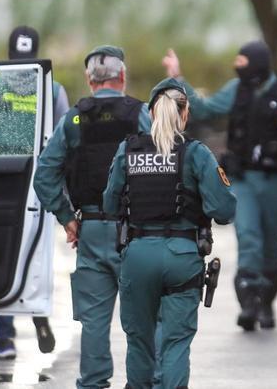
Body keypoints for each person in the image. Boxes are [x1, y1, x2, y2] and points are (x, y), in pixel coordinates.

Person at [161, 42, 277, 331]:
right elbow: (206, 110)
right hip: (243, 180)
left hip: (275, 182)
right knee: (248, 239)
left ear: (257, 62)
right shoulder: (236, 89)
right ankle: (249, 304)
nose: (238, 66)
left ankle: (266, 303)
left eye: (242, 61)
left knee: (271, 244)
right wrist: (179, 80)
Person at [103, 78, 237, 389]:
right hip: (182, 255)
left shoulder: (128, 150)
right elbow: (225, 211)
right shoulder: (197, 153)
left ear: (150, 112)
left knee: (139, 342)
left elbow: (110, 203)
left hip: (137, 255)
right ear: (185, 113)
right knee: (176, 343)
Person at [32, 45, 150, 388]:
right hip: (137, 233)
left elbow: (45, 174)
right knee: (142, 317)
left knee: (95, 321)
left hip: (93, 229)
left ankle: (94, 382)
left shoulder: (74, 118)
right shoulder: (141, 113)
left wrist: (67, 217)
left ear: (89, 80)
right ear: (123, 76)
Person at [0, 25, 69, 360]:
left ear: (10, 55)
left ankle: (4, 338)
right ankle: (39, 313)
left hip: (1, 183)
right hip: (41, 184)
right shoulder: (53, 89)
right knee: (37, 254)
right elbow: (66, 142)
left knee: (2, 259)